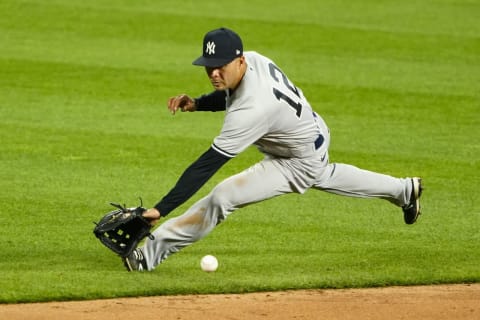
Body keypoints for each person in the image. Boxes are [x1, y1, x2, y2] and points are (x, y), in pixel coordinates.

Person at [122, 27, 423, 272]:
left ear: (239, 61)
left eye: (220, 66)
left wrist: (160, 209)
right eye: (209, 67)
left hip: (296, 158)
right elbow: (230, 94)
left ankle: (147, 257)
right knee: (323, 173)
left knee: (223, 196)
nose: (214, 73)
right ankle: (404, 190)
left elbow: (206, 166)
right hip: (309, 133)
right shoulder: (253, 59)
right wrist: (199, 104)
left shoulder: (253, 109)